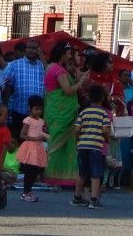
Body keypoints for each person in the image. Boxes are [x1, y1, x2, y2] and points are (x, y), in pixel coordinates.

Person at [45, 40, 89, 187]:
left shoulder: (50, 67)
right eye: (69, 54)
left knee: (60, 143)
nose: (70, 57)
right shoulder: (58, 70)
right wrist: (81, 81)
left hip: (56, 110)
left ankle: (57, 177)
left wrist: (77, 78)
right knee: (59, 144)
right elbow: (68, 90)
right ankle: (57, 177)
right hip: (62, 112)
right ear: (62, 54)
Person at [70, 84, 112, 210]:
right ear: (103, 98)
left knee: (82, 172)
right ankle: (93, 200)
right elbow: (105, 130)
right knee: (96, 174)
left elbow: (77, 129)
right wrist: (108, 139)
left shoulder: (83, 112)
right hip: (95, 147)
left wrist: (78, 140)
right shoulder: (103, 114)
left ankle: (77, 197)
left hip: (82, 146)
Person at [1, 39, 45, 137]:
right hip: (19, 113)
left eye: (34, 48)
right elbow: (5, 84)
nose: (31, 50)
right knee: (18, 143)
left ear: (38, 50)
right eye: (29, 47)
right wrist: (5, 106)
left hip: (37, 115)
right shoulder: (15, 64)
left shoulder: (42, 66)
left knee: (34, 144)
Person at [16, 95, 48, 202]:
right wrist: (35, 138)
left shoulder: (41, 121)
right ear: (30, 108)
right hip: (30, 147)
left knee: (36, 170)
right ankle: (25, 193)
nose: (39, 111)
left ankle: (28, 191)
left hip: (38, 148)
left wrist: (43, 137)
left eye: (40, 109)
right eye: (36, 108)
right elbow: (22, 135)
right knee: (29, 171)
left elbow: (41, 133)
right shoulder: (28, 120)